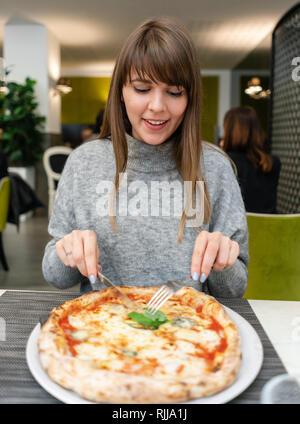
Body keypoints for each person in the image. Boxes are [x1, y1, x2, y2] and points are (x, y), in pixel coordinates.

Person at [42, 18, 249, 297]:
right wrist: (68, 251)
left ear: (190, 99)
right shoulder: (83, 162)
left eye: (174, 92)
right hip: (100, 330)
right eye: (142, 89)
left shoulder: (216, 167)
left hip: (191, 331)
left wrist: (223, 263)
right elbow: (55, 275)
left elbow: (235, 288)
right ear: (121, 93)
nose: (157, 106)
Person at [220, 106, 281, 213]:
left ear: (229, 132)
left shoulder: (226, 162)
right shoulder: (273, 163)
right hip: (268, 227)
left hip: (236, 227)